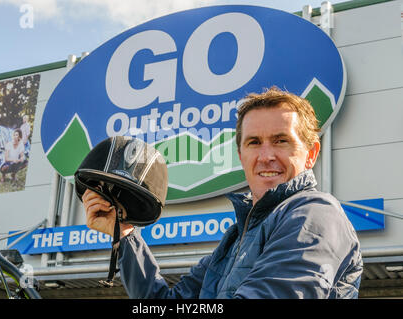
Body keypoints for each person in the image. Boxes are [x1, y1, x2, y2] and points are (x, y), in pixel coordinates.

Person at [82, 87, 363, 299]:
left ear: (311, 153)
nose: (266, 156)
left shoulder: (314, 214)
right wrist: (125, 234)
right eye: (254, 142)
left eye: (281, 141)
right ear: (241, 155)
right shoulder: (234, 241)